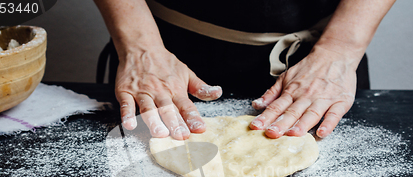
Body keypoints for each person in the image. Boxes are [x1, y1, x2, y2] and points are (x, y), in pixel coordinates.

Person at [93, 0, 396, 140]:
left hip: (324, 67)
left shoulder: (335, 53)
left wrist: (341, 48)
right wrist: (138, 45)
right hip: (162, 54)